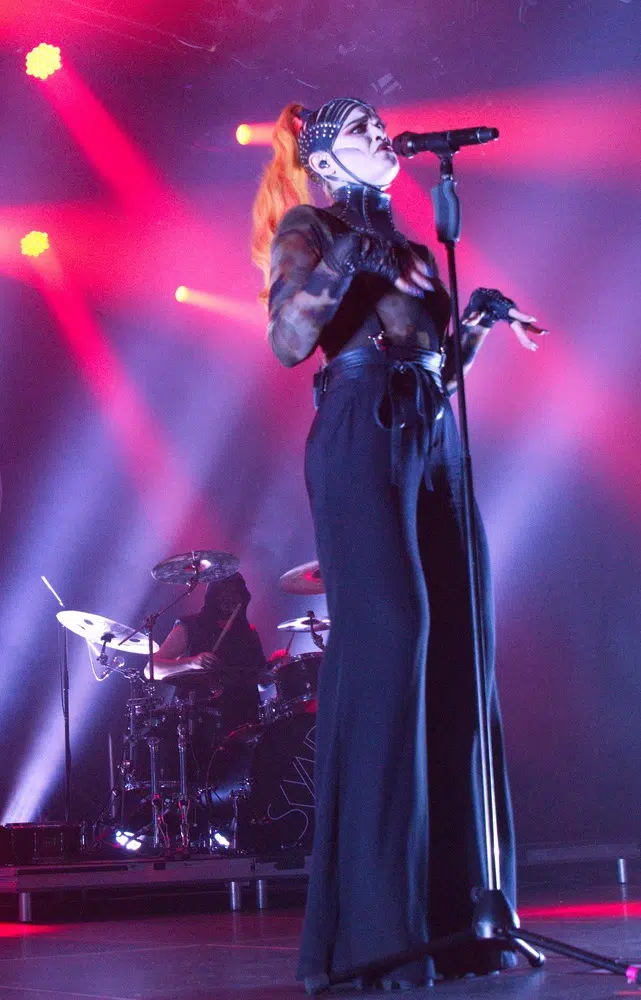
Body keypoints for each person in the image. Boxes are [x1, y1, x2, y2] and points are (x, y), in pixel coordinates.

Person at [250, 97, 545, 988]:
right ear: (324, 159)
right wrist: (354, 255)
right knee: (390, 644)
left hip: (431, 437)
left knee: (459, 648)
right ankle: (376, 935)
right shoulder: (311, 227)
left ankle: (458, 920)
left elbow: (431, 365)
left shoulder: (407, 243)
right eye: (362, 131)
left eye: (383, 127)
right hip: (360, 430)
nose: (384, 137)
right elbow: (287, 340)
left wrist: (478, 324)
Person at [150, 572, 265, 733]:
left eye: (236, 593)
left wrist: (277, 670)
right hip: (198, 722)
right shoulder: (190, 626)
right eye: (225, 592)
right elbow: (151, 669)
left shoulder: (248, 633)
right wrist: (192, 662)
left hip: (243, 722)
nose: (231, 599)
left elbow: (260, 683)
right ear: (214, 595)